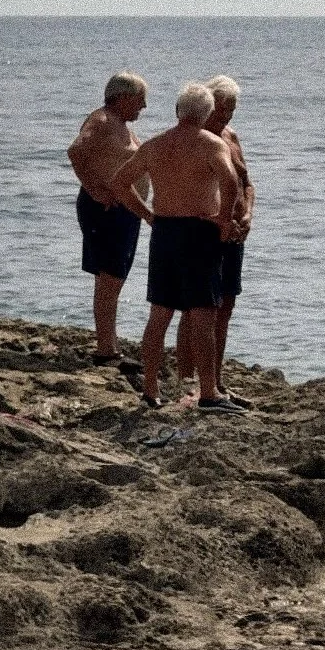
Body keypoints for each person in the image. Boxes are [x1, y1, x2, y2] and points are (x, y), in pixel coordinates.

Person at [111, 82, 240, 413]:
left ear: (177, 112)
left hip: (166, 232)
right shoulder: (211, 144)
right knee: (203, 316)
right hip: (199, 231)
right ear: (207, 113)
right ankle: (209, 392)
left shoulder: (155, 145)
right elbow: (230, 181)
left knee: (160, 313)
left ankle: (151, 389)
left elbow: (119, 183)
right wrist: (224, 220)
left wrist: (150, 216)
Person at [175, 75, 255, 399]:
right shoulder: (195, 140)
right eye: (221, 110)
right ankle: (185, 381)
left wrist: (247, 214)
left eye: (232, 110)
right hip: (204, 232)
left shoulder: (231, 136)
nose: (226, 116)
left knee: (225, 306)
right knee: (194, 308)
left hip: (235, 233)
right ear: (207, 107)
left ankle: (217, 381)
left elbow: (247, 182)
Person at [67, 71, 149, 366]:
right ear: (124, 97)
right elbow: (76, 151)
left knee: (113, 279)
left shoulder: (120, 124)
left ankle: (108, 345)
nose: (144, 106)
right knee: (110, 279)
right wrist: (95, 189)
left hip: (124, 210)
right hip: (106, 210)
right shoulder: (101, 120)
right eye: (141, 100)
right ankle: (106, 351)